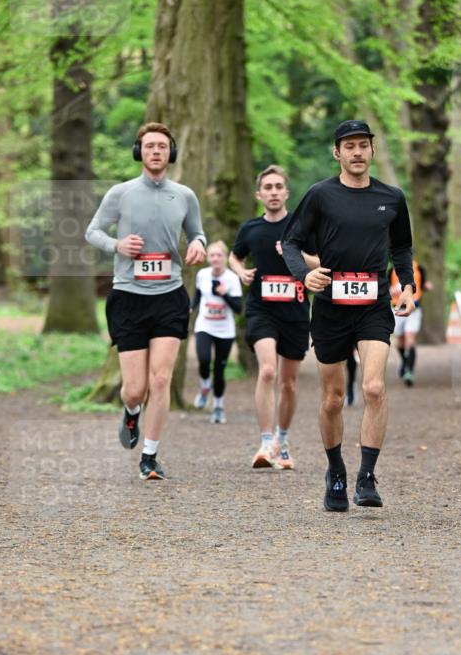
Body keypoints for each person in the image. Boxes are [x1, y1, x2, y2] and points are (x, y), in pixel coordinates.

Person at [282, 119, 415, 511]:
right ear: (337, 152)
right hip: (331, 306)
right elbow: (290, 242)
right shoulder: (320, 195)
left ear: (372, 150)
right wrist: (305, 275)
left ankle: (367, 476)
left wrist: (407, 285)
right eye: (349, 146)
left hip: (373, 303)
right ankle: (336, 471)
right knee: (333, 399)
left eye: (363, 145)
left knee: (373, 387)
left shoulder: (392, 197)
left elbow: (402, 247)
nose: (357, 152)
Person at [85, 122, 206, 480]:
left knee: (161, 379)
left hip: (169, 295)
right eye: (150, 146)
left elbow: (196, 232)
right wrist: (117, 245)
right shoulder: (120, 193)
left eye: (162, 146)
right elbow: (92, 231)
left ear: (171, 153)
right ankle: (131, 411)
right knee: (135, 389)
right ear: (139, 152)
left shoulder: (184, 195)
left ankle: (150, 456)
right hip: (128, 297)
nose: (156, 151)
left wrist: (198, 243)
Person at [229, 166, 310, 470]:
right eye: (268, 187)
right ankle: (266, 442)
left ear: (286, 193)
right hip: (261, 308)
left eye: (278, 187)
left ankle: (282, 441)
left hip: (295, 311)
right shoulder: (250, 228)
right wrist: (240, 271)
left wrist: (294, 254)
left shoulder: (301, 227)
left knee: (288, 383)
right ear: (259, 194)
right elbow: (234, 256)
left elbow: (321, 261)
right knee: (267, 371)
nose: (273, 192)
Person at [190, 240, 242, 424]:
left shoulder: (232, 278)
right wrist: (191, 307)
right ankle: (205, 387)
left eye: (219, 255)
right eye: (212, 255)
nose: (215, 258)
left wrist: (224, 294)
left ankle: (218, 407)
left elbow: (238, 308)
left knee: (219, 371)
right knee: (204, 359)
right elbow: (198, 295)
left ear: (225, 258)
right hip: (205, 326)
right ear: (208, 258)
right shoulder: (202, 275)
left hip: (225, 330)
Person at [389, 260, 433, 386]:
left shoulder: (419, 268)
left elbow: (422, 285)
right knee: (400, 342)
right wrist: (392, 290)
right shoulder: (392, 270)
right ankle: (404, 362)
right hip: (397, 309)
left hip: (414, 310)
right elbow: (386, 287)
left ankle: (409, 371)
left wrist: (427, 286)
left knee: (410, 339)